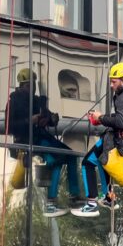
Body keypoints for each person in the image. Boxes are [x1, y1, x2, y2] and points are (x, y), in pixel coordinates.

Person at [71, 61, 123, 218]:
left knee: (87, 163)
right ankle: (108, 198)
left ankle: (91, 203)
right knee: (102, 162)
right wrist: (102, 119)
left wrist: (101, 117)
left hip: (114, 140)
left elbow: (120, 122)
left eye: (114, 81)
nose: (112, 85)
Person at [5, 68, 81, 217]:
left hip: (41, 137)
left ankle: (74, 196)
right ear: (21, 86)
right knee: (56, 160)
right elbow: (10, 126)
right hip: (27, 140)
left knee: (71, 156)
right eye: (28, 86)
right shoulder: (14, 102)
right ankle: (51, 202)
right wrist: (30, 121)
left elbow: (46, 117)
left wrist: (51, 119)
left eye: (33, 86)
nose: (31, 89)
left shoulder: (37, 101)